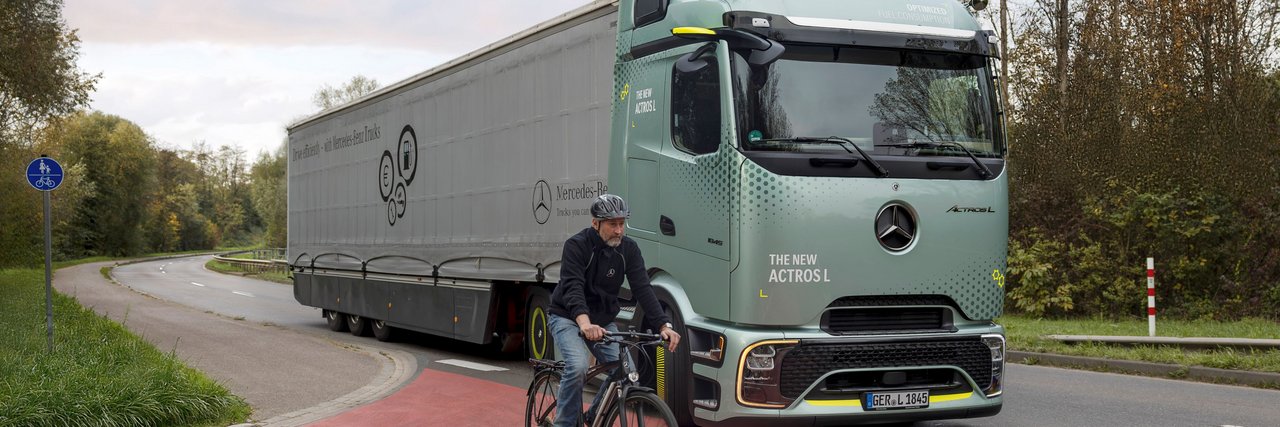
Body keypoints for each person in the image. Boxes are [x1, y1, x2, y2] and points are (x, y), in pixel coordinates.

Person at [547, 194, 681, 427]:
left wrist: (663, 325)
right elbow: (573, 287)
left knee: (626, 371)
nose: (619, 230)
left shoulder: (628, 249)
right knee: (578, 366)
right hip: (567, 316)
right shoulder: (576, 246)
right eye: (612, 224)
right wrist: (585, 323)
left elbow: (643, 288)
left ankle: (593, 417)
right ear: (595, 223)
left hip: (602, 319)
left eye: (622, 223)